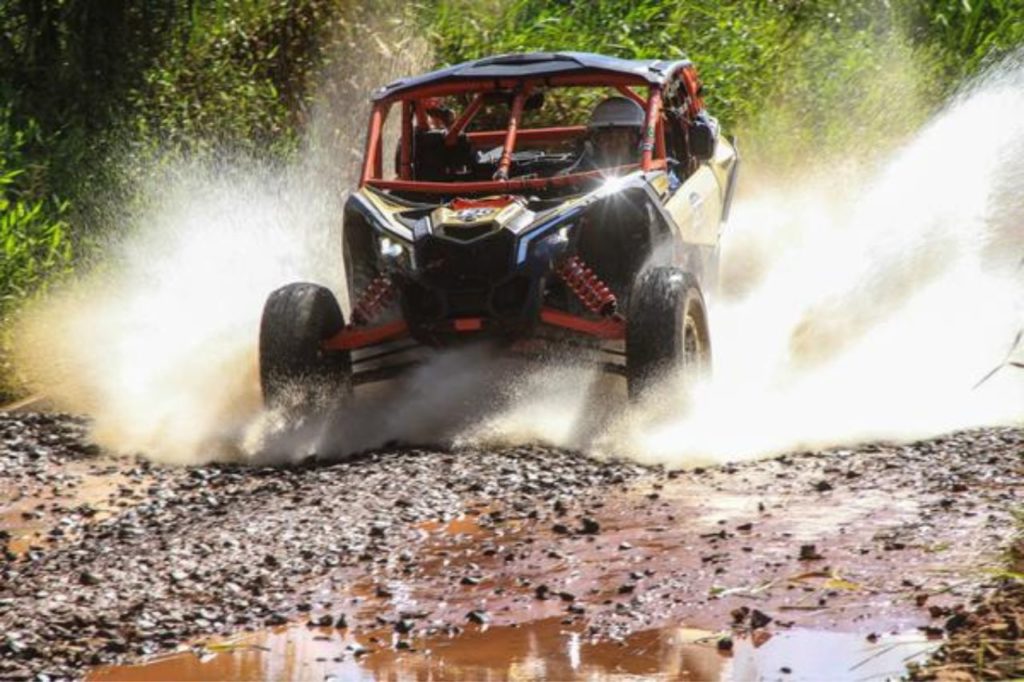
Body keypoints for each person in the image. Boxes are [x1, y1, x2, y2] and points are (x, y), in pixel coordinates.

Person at [563, 96, 646, 173]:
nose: (613, 144)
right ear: (593, 142)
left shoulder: (650, 175)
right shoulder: (573, 177)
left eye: (621, 137)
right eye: (607, 137)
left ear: (638, 143)